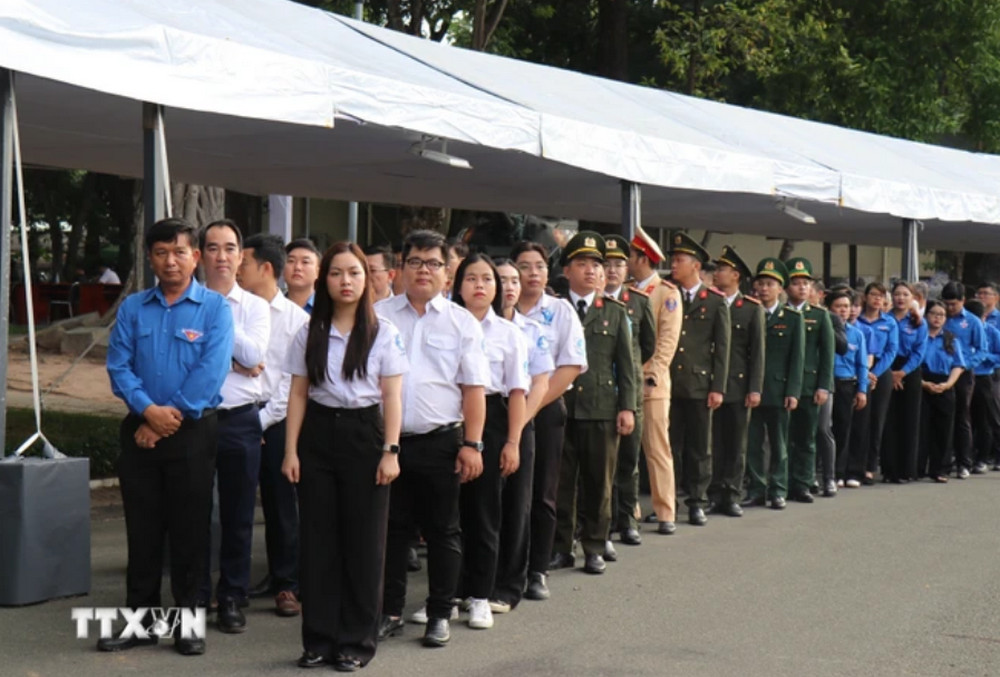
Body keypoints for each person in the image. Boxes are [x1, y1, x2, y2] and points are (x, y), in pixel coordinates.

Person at [103, 217, 233, 656]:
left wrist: (164, 420)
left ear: (195, 257)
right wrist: (147, 412)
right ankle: (140, 621)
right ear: (150, 257)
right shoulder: (134, 308)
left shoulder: (215, 309)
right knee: (142, 531)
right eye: (161, 252)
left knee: (190, 531)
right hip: (140, 430)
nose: (170, 261)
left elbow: (210, 372)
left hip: (193, 431)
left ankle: (188, 623)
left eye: (180, 252)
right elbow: (118, 366)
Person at [282, 242, 407, 671]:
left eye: (354, 273)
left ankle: (356, 642)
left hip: (365, 437)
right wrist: (291, 451)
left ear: (367, 279)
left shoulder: (383, 332)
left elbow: (392, 397)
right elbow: (298, 393)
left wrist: (391, 451)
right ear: (325, 280)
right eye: (336, 273)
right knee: (318, 543)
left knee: (363, 544)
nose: (346, 281)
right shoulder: (308, 332)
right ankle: (318, 640)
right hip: (317, 435)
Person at [377, 229, 489, 648]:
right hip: (388, 442)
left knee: (444, 531)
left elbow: (473, 389)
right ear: (400, 268)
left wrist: (472, 444)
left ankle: (440, 612)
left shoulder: (461, 322)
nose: (424, 270)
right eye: (415, 262)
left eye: (434, 263)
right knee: (392, 530)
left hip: (441, 441)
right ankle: (389, 611)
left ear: (448, 272)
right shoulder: (379, 314)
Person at [549, 232, 636, 575]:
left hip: (601, 407)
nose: (590, 270)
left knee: (600, 482)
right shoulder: (554, 308)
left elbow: (626, 365)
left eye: (595, 264)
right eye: (581, 264)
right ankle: (561, 546)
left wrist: (627, 407)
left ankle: (595, 546)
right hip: (560, 405)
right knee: (561, 482)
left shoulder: (614, 312)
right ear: (567, 270)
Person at [199, 219, 271, 633]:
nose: (221, 256)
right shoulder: (187, 302)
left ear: (241, 256)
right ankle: (194, 594)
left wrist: (219, 337)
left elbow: (254, 351)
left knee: (239, 514)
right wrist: (237, 362)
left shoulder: (256, 307)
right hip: (195, 419)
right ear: (201, 255)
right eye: (213, 248)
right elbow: (188, 361)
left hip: (241, 420)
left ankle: (231, 596)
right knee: (192, 512)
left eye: (229, 248)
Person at [452, 254, 530, 629]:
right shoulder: (447, 323)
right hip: (448, 418)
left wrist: (513, 442)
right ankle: (449, 594)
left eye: (487, 279)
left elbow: (517, 392)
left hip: (493, 418)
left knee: (484, 512)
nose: (479, 285)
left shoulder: (509, 333)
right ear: (459, 285)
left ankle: (480, 595)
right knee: (448, 514)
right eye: (471, 278)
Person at [237, 234, 310, 616]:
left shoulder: (297, 320)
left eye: (243, 262)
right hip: (236, 414)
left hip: (277, 420)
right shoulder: (232, 310)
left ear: (266, 268)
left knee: (282, 506)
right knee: (237, 504)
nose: (236, 267)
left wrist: (261, 423)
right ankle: (233, 583)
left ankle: (287, 584)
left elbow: (293, 383)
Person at [511, 240, 586, 600]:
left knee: (543, 491)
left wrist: (532, 406)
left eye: (539, 266)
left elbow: (571, 366)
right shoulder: (499, 312)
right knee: (508, 493)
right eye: (525, 266)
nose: (533, 274)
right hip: (504, 412)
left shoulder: (560, 311)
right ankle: (506, 567)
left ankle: (537, 568)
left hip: (545, 409)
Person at [490, 259, 551, 613]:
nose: (511, 286)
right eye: (504, 280)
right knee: (479, 505)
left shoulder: (531, 330)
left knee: (517, 504)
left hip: (519, 416)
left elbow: (541, 380)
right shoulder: (470, 324)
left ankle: (510, 584)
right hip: (480, 417)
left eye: (515, 280)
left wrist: (517, 426)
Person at [667, 232, 730, 525]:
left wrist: (718, 387)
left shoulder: (715, 301)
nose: (673, 264)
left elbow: (723, 349)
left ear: (695, 265)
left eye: (679, 260)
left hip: (699, 384)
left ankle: (697, 501)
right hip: (669, 382)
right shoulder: (668, 294)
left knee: (699, 447)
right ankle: (669, 501)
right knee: (669, 446)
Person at [602, 235, 655, 551]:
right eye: (606, 264)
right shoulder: (591, 300)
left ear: (628, 269)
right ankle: (601, 523)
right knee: (600, 463)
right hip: (599, 390)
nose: (612, 270)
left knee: (628, 461)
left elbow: (646, 345)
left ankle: (628, 521)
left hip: (629, 390)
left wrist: (631, 370)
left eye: (619, 264)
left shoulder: (639, 301)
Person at [629, 227, 682, 534]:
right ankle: (631, 509)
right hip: (628, 381)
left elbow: (667, 342)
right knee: (628, 451)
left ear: (643, 258)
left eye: (630, 257)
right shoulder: (628, 290)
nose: (625, 263)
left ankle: (665, 512)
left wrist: (652, 374)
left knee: (657, 448)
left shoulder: (666, 293)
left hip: (652, 384)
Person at [743, 258, 804, 510]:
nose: (764, 289)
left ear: (780, 289)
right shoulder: (749, 312)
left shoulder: (791, 317)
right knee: (753, 442)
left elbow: (797, 358)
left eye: (770, 284)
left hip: (779, 390)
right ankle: (756, 488)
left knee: (779, 443)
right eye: (761, 283)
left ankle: (778, 489)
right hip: (752, 389)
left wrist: (793, 391)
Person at [708, 245, 764, 516]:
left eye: (722, 269)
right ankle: (713, 492)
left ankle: (732, 494)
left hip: (739, 384)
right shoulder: (710, 302)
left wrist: (755, 388)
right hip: (711, 385)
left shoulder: (751, 309)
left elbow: (757, 353)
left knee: (736, 443)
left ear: (736, 275)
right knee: (713, 443)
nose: (717, 273)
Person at [784, 257, 834, 503]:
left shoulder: (819, 315)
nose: (802, 287)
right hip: (782, 384)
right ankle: (781, 482)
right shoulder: (779, 313)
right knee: (782, 438)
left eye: (806, 283)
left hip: (809, 385)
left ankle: (802, 482)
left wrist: (824, 385)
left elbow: (826, 354)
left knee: (806, 438)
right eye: (796, 283)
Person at [852, 283, 898, 484]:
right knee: (860, 419)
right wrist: (864, 372)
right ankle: (856, 465)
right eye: (873, 295)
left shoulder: (889, 322)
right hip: (858, 369)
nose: (877, 299)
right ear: (866, 296)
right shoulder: (857, 319)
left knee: (877, 419)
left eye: (881, 296)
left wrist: (875, 373)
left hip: (881, 371)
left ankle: (871, 466)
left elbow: (891, 350)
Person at [880, 281, 927, 483]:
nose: (900, 298)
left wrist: (902, 373)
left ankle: (906, 469)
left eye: (905, 295)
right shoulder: (885, 320)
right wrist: (890, 373)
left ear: (913, 299)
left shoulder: (918, 322)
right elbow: (881, 348)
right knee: (889, 419)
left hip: (910, 371)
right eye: (897, 294)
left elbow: (919, 352)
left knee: (909, 420)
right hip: (886, 368)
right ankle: (889, 469)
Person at [941, 281, 985, 479]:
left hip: (963, 373)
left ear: (963, 301)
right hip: (939, 370)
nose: (950, 308)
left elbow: (982, 350)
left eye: (954, 305)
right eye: (947, 304)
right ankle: (942, 461)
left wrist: (965, 365)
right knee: (942, 417)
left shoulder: (973, 322)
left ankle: (963, 462)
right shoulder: (939, 317)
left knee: (962, 417)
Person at [920, 300, 967, 483]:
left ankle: (940, 469)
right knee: (922, 427)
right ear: (926, 316)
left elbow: (959, 365)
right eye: (934, 313)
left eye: (941, 314)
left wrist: (948, 384)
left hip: (945, 384)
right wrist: (923, 383)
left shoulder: (950, 338)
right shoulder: (920, 336)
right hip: (922, 381)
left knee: (944, 429)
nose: (937, 317)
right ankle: (918, 466)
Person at [827, 290, 868, 489]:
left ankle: (841, 472)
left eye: (846, 306)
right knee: (825, 429)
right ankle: (827, 472)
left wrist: (862, 390)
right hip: (827, 383)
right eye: (838, 306)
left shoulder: (857, 333)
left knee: (843, 429)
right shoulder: (824, 328)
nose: (843, 310)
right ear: (829, 309)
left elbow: (862, 365)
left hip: (846, 384)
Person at [965, 299, 1000, 474]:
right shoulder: (964, 330)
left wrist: (985, 358)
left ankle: (983, 458)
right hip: (964, 375)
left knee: (984, 419)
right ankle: (966, 456)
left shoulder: (992, 332)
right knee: (966, 418)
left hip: (984, 376)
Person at [284, 239, 321, 313]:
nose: (297, 267)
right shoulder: (270, 308)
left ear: (318, 271)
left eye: (305, 262)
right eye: (291, 261)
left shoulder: (328, 309)